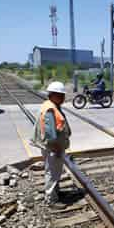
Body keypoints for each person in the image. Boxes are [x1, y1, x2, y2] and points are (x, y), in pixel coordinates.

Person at [31, 81, 71, 210]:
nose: (63, 98)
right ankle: (51, 200)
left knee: (54, 171)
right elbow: (50, 134)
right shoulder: (50, 109)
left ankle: (55, 192)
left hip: (52, 147)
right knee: (52, 173)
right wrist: (57, 148)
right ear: (52, 95)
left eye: (63, 95)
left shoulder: (50, 105)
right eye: (60, 95)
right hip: (53, 147)